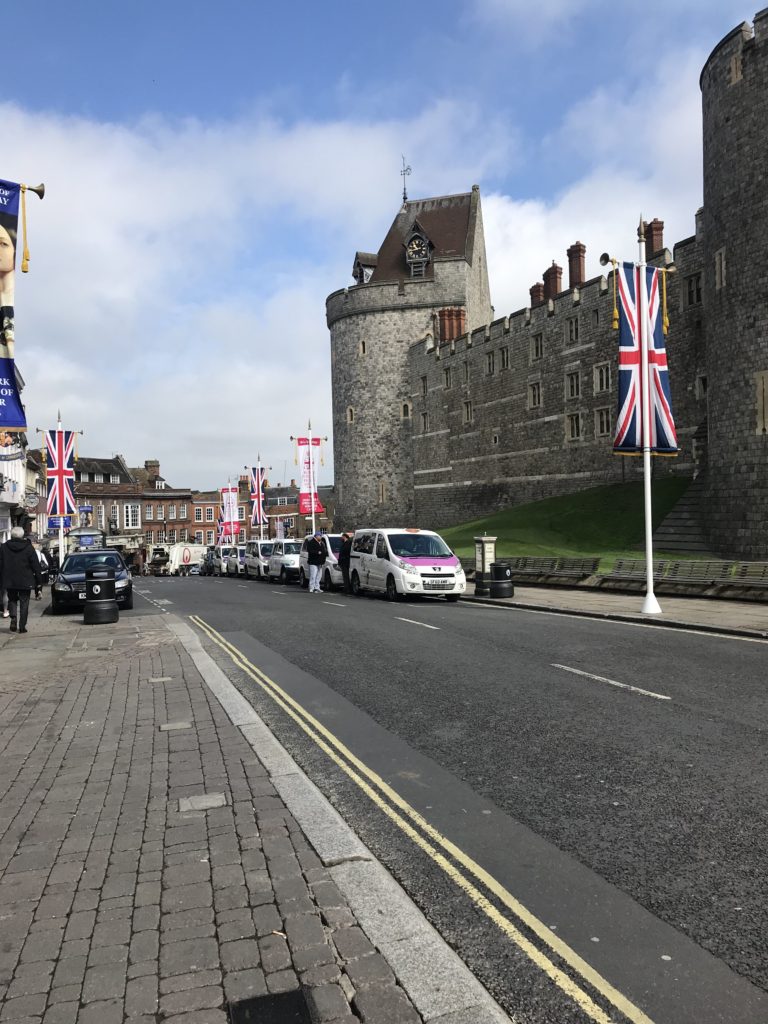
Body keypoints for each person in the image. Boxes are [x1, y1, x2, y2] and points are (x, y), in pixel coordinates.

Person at [0, 527, 43, 634]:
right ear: (22, 535)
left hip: (10, 580)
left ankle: (13, 617)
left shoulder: (4, 547)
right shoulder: (28, 547)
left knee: (12, 600)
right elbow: (36, 566)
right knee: (24, 602)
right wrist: (39, 582)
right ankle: (22, 626)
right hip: (25, 580)